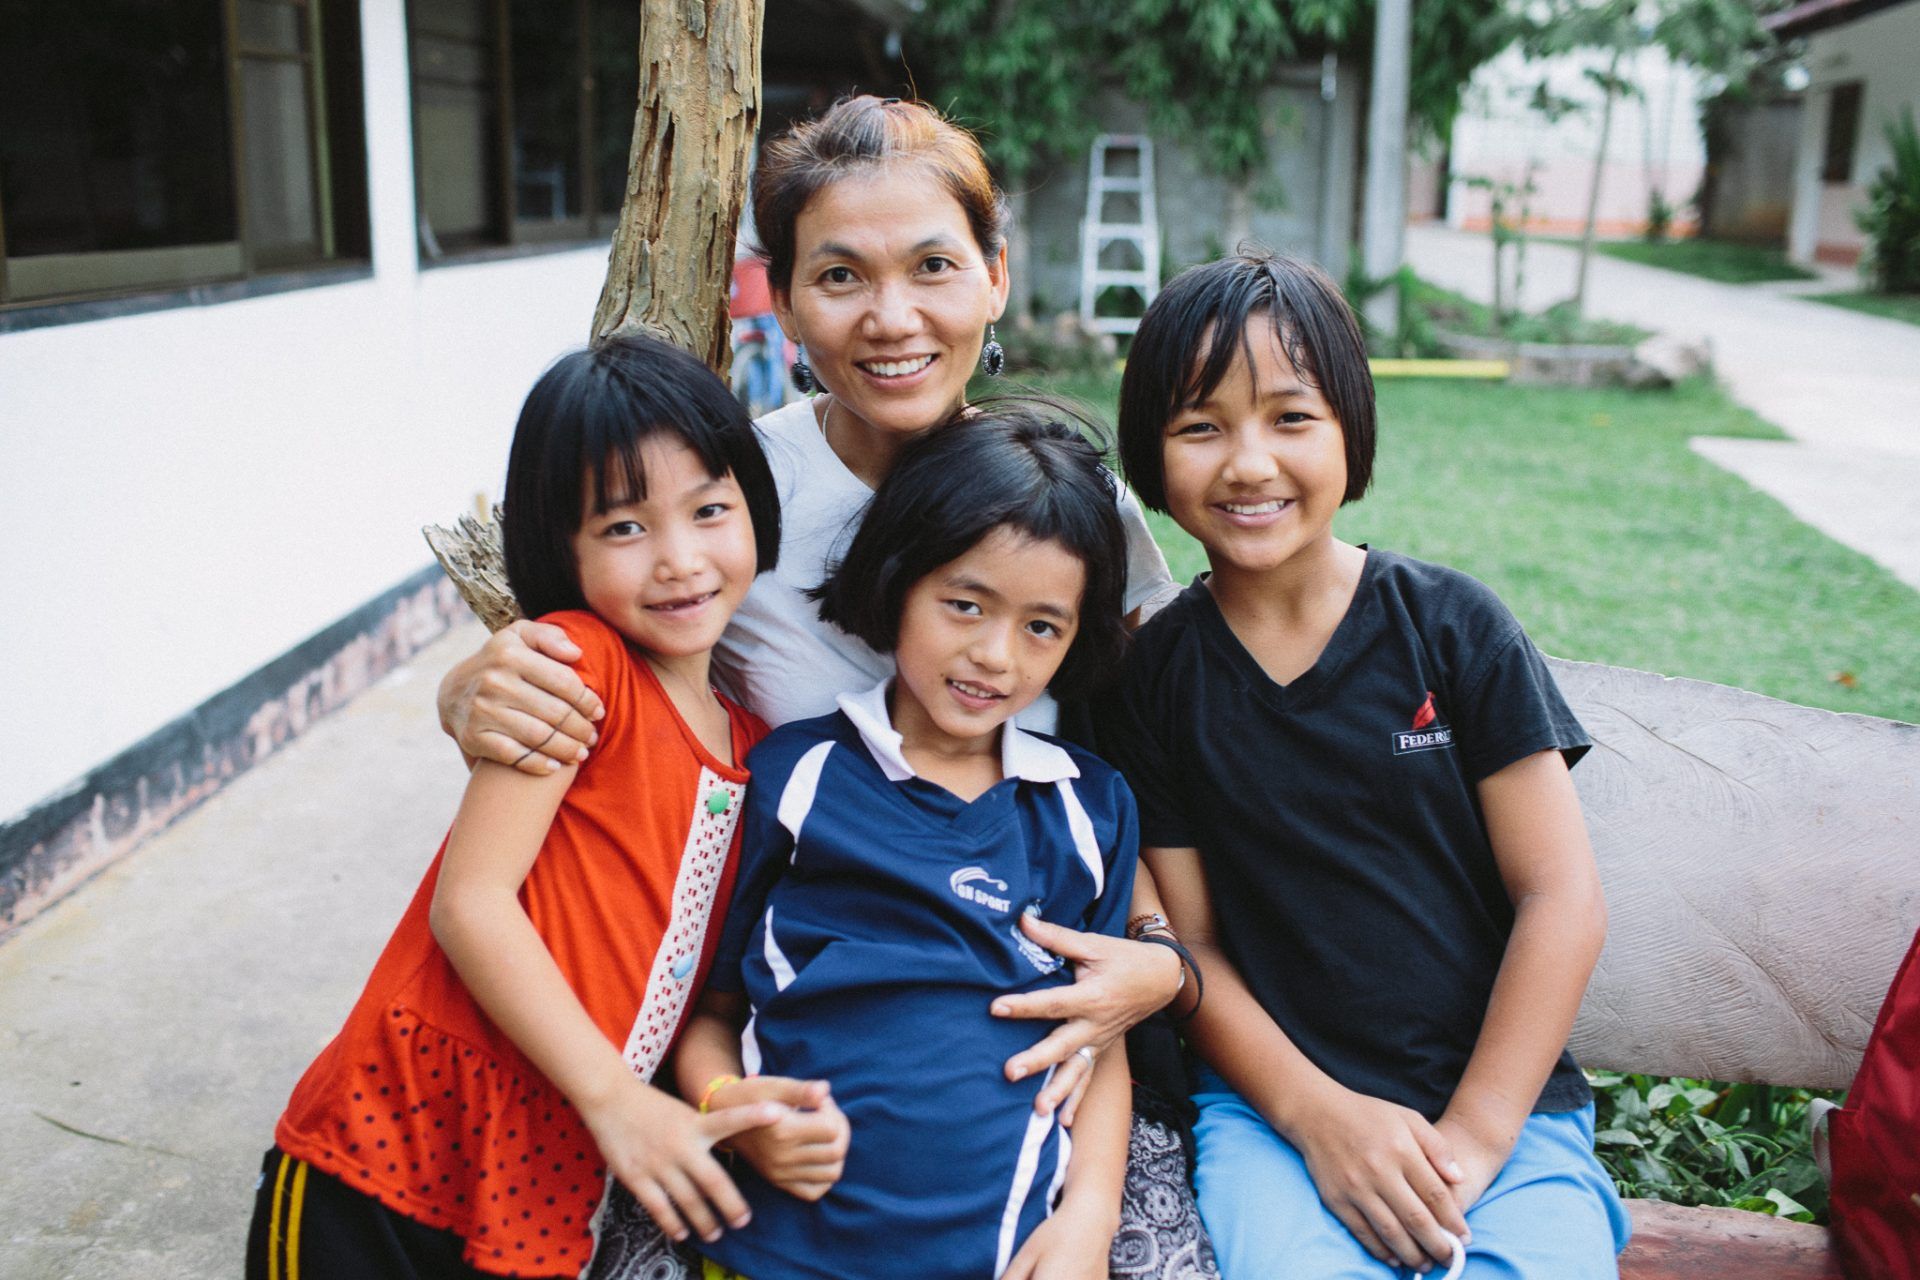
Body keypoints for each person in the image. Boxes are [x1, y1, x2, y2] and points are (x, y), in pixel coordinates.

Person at [433, 95, 1185, 1132]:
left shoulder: (1069, 503)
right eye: (840, 275)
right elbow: (600, 655)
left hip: (1030, 1044)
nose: (891, 316)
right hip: (789, 1034)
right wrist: (481, 680)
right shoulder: (732, 500)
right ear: (781, 301)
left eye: (933, 265)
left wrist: (1160, 954)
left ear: (996, 276)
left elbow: (1154, 752)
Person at [1098, 251, 1633, 1279]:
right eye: (1200, 426)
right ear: (1152, 454)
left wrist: (1476, 1135)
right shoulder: (1155, 676)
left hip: (1504, 1106)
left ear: (1353, 430)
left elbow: (1560, 896)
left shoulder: (1452, 627)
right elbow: (1194, 945)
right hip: (1275, 1113)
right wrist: (1317, 1116)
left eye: (1291, 417)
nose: (1248, 462)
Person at [249, 336, 816, 1280]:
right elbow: (470, 902)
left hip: (548, 1172)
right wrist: (619, 1100)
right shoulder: (574, 667)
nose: (679, 559)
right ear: (563, 548)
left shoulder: (760, 751)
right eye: (624, 527)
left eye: (710, 511)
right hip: (397, 1135)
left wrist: (721, 1106)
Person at [679, 407, 1139, 1280]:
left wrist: (1090, 1213)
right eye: (964, 606)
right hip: (781, 1252)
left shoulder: (1088, 808)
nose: (995, 656)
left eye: (1042, 626)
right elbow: (709, 1013)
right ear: (896, 584)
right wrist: (729, 1105)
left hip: (999, 1253)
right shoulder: (795, 777)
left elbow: (1100, 1036)